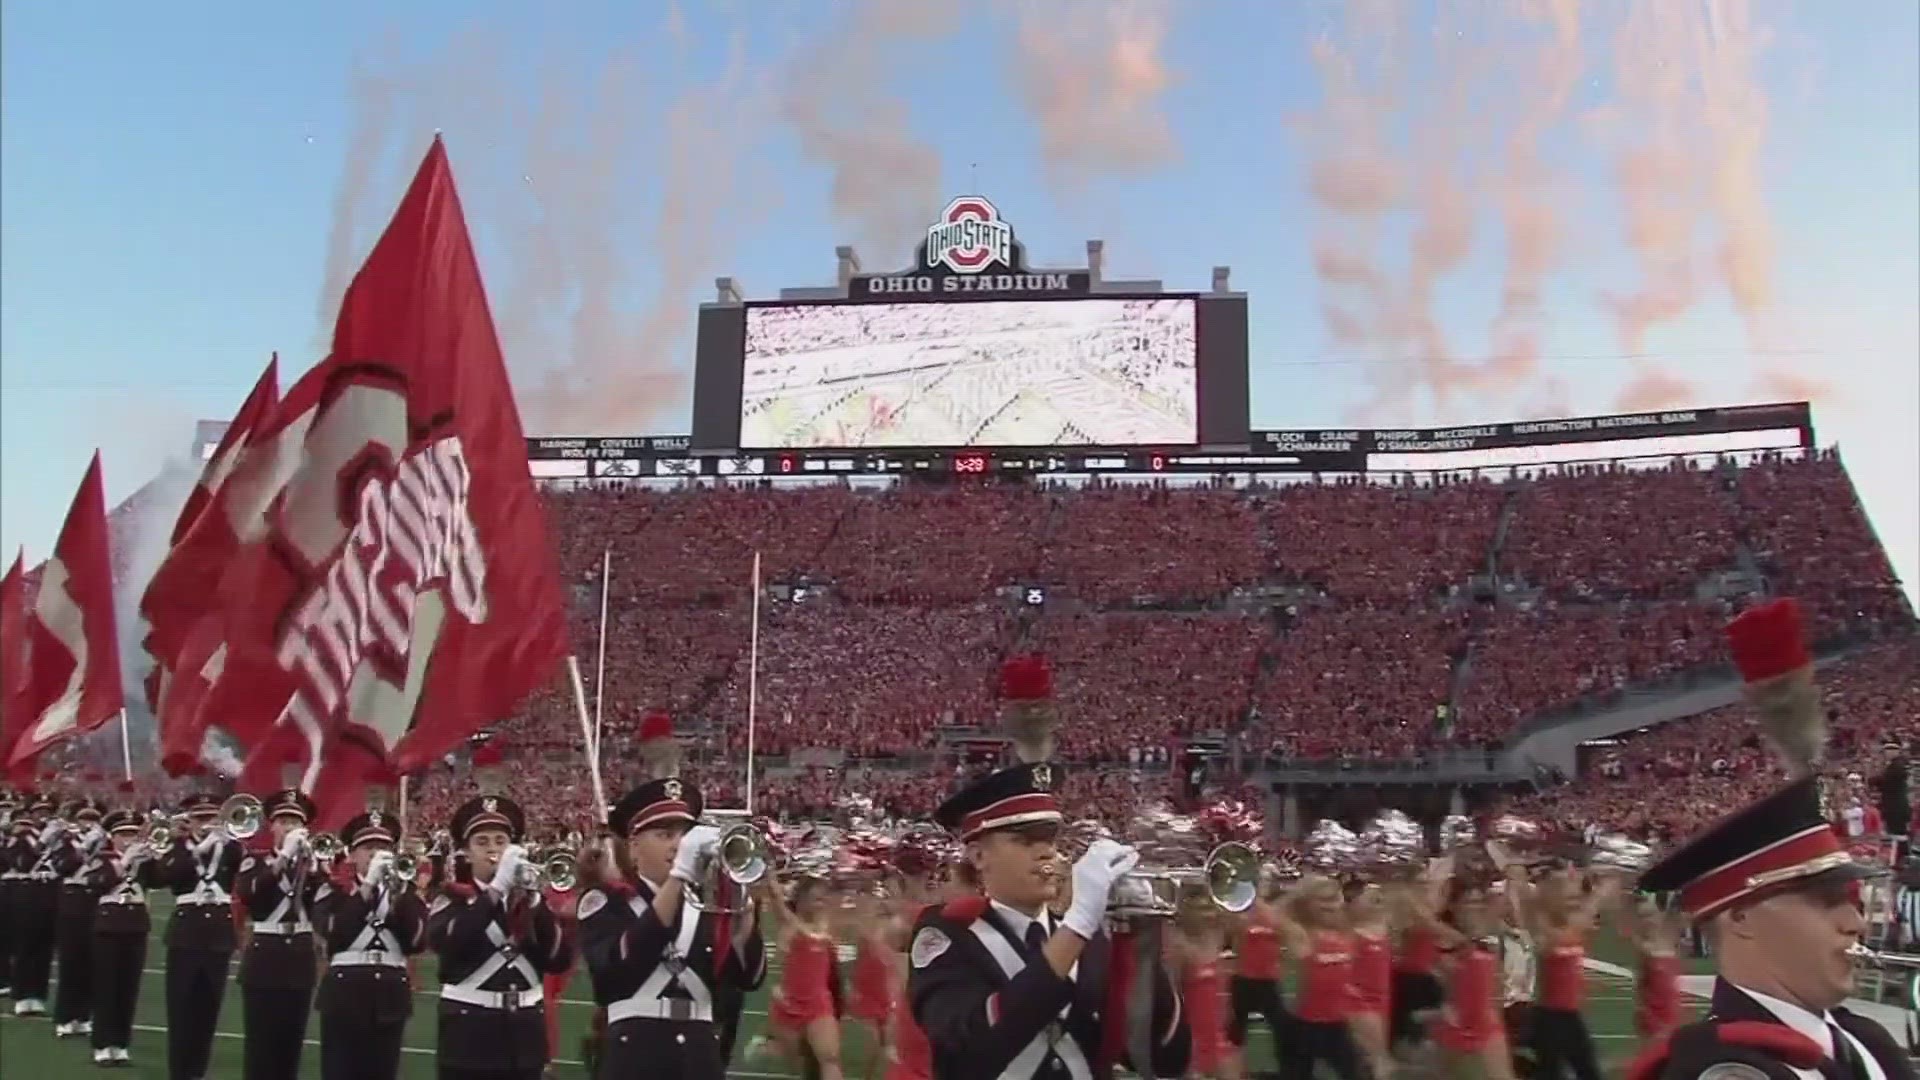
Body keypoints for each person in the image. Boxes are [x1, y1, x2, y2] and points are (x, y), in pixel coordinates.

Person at [907, 760, 1192, 1080]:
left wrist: (1142, 941)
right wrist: (1079, 924)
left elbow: (1165, 1058)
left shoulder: (1092, 942)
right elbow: (974, 1038)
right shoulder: (948, 933)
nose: (1047, 853)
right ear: (979, 856)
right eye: (1025, 840)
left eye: (1051, 839)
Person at [1630, 775, 1914, 1080]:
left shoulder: (1868, 1040)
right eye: (1827, 901)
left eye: (1848, 900)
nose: (1855, 923)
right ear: (1741, 917)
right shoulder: (1718, 1067)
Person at [578, 774, 769, 1080]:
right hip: (634, 1056)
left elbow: (748, 978)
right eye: (665, 835)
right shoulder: (606, 901)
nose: (678, 845)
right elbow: (620, 966)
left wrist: (743, 915)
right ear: (634, 847)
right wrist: (679, 877)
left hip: (700, 1056)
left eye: (684, 835)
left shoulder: (709, 905)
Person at [428, 792, 573, 1080]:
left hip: (525, 1036)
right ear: (466, 853)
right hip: (469, 1038)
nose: (492, 849)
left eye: (500, 841)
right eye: (481, 842)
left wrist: (534, 902)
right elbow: (449, 944)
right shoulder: (453, 897)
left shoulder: (528, 901)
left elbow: (558, 959)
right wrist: (495, 891)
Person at [311, 805, 428, 1080]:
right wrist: (365, 890)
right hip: (344, 994)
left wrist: (397, 896)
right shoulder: (334, 890)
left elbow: (417, 941)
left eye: (383, 847)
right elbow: (333, 935)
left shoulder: (406, 893)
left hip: (390, 995)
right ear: (352, 854)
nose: (376, 854)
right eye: (367, 848)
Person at [235, 787, 325, 1080]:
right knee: (262, 1042)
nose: (289, 828)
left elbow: (324, 908)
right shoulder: (256, 861)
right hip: (266, 955)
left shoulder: (311, 866)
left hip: (299, 956)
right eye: (283, 821)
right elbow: (250, 894)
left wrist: (315, 869)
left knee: (291, 1041)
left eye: (295, 823)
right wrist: (283, 857)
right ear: (271, 826)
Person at [158, 791, 243, 1080]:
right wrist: (190, 843)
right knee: (181, 1006)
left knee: (208, 1008)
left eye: (211, 818)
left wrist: (223, 838)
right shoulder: (177, 848)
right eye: (200, 818)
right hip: (185, 932)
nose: (206, 823)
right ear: (189, 820)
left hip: (218, 933)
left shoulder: (230, 848)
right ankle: (179, 1071)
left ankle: (197, 1071)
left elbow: (241, 869)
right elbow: (170, 875)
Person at [87, 808, 161, 1066]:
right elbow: (96, 883)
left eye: (131, 834)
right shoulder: (103, 857)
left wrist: (154, 859)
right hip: (109, 925)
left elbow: (159, 881)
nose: (128, 839)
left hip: (135, 925)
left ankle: (120, 1043)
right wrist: (124, 861)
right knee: (107, 985)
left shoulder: (142, 859)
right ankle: (103, 1043)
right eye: (123, 834)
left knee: (128, 988)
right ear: (113, 836)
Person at [51, 799, 106, 1038]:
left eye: (93, 819)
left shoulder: (105, 844)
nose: (88, 824)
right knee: (70, 962)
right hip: (72, 902)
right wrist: (83, 848)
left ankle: (83, 1015)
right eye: (84, 818)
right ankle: (65, 1016)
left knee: (92, 963)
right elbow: (63, 867)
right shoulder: (66, 841)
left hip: (94, 901)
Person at [6, 794, 61, 1015]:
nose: (43, 817)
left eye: (47, 813)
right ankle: (21, 994)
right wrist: (42, 843)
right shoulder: (22, 838)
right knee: (25, 945)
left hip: (50, 893)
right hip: (27, 893)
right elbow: (22, 864)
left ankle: (37, 994)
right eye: (39, 813)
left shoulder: (61, 839)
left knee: (44, 948)